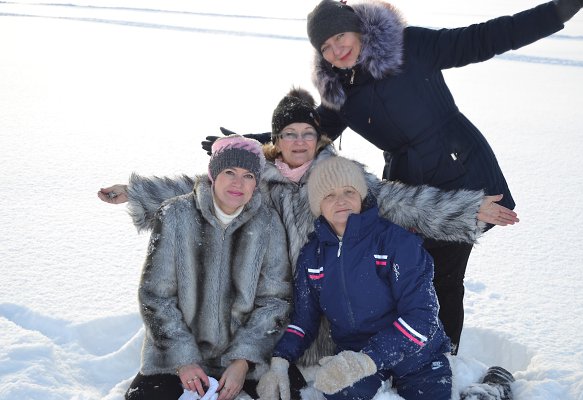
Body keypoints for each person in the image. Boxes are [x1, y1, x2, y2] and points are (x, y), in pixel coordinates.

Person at [99, 89, 517, 379]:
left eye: (307, 133)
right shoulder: (257, 175)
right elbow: (201, 188)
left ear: (319, 138)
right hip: (269, 304)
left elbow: (399, 200)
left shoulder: (338, 175)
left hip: (328, 304)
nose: (299, 142)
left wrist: (467, 209)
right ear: (276, 140)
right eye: (289, 134)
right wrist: (136, 193)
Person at [304, 0, 583, 353]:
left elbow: (483, 38)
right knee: (401, 272)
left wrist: (559, 10)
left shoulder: (409, 46)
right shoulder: (340, 92)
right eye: (326, 47)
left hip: (458, 170)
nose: (337, 50)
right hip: (407, 186)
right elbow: (306, 133)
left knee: (442, 276)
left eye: (340, 37)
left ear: (358, 29)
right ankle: (412, 349)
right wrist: (258, 145)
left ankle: (444, 355)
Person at [257, 156, 512, 400]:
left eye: (349, 191)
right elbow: (304, 320)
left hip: (416, 353)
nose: (341, 201)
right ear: (317, 205)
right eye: (329, 195)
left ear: (361, 195)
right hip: (355, 354)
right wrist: (280, 361)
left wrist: (368, 360)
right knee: (338, 392)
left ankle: (492, 389)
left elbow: (422, 316)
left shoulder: (396, 242)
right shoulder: (313, 256)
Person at [125, 135, 292, 400]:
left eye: (248, 176)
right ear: (214, 174)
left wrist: (243, 360)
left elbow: (275, 301)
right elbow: (156, 296)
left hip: (240, 363)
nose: (238, 183)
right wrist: (183, 359)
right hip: (174, 359)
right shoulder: (175, 214)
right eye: (229, 172)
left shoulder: (268, 224)